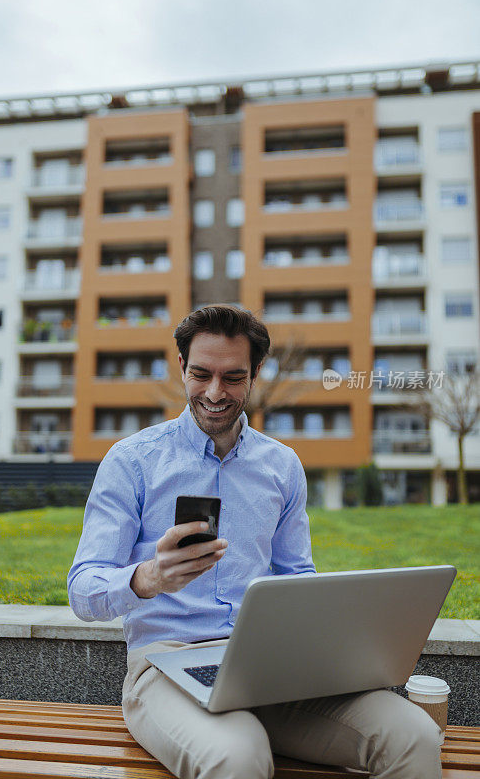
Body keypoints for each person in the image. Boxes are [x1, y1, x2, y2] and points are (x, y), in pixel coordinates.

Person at [68, 305, 442, 779]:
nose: (215, 393)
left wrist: (336, 643)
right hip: (166, 668)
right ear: (181, 367)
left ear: (256, 374)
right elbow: (83, 590)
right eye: (201, 374)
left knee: (414, 736)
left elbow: (297, 578)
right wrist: (148, 578)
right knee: (238, 755)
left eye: (233, 377)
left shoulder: (282, 465)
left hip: (270, 667)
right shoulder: (132, 462)